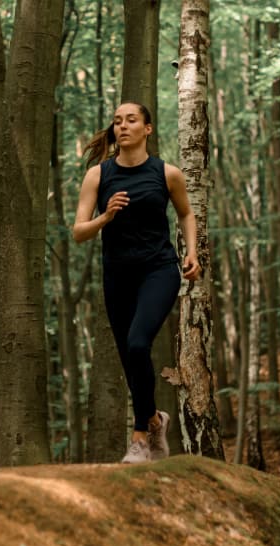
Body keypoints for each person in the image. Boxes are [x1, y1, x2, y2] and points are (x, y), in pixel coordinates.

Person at [72, 102, 201, 464]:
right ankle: (155, 419)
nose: (123, 126)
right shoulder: (98, 176)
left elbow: (186, 213)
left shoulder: (166, 173)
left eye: (131, 120)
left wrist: (192, 252)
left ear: (147, 128)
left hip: (159, 270)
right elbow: (79, 232)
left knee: (138, 342)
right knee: (132, 358)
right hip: (118, 275)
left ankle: (141, 438)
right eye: (117, 121)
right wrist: (105, 217)